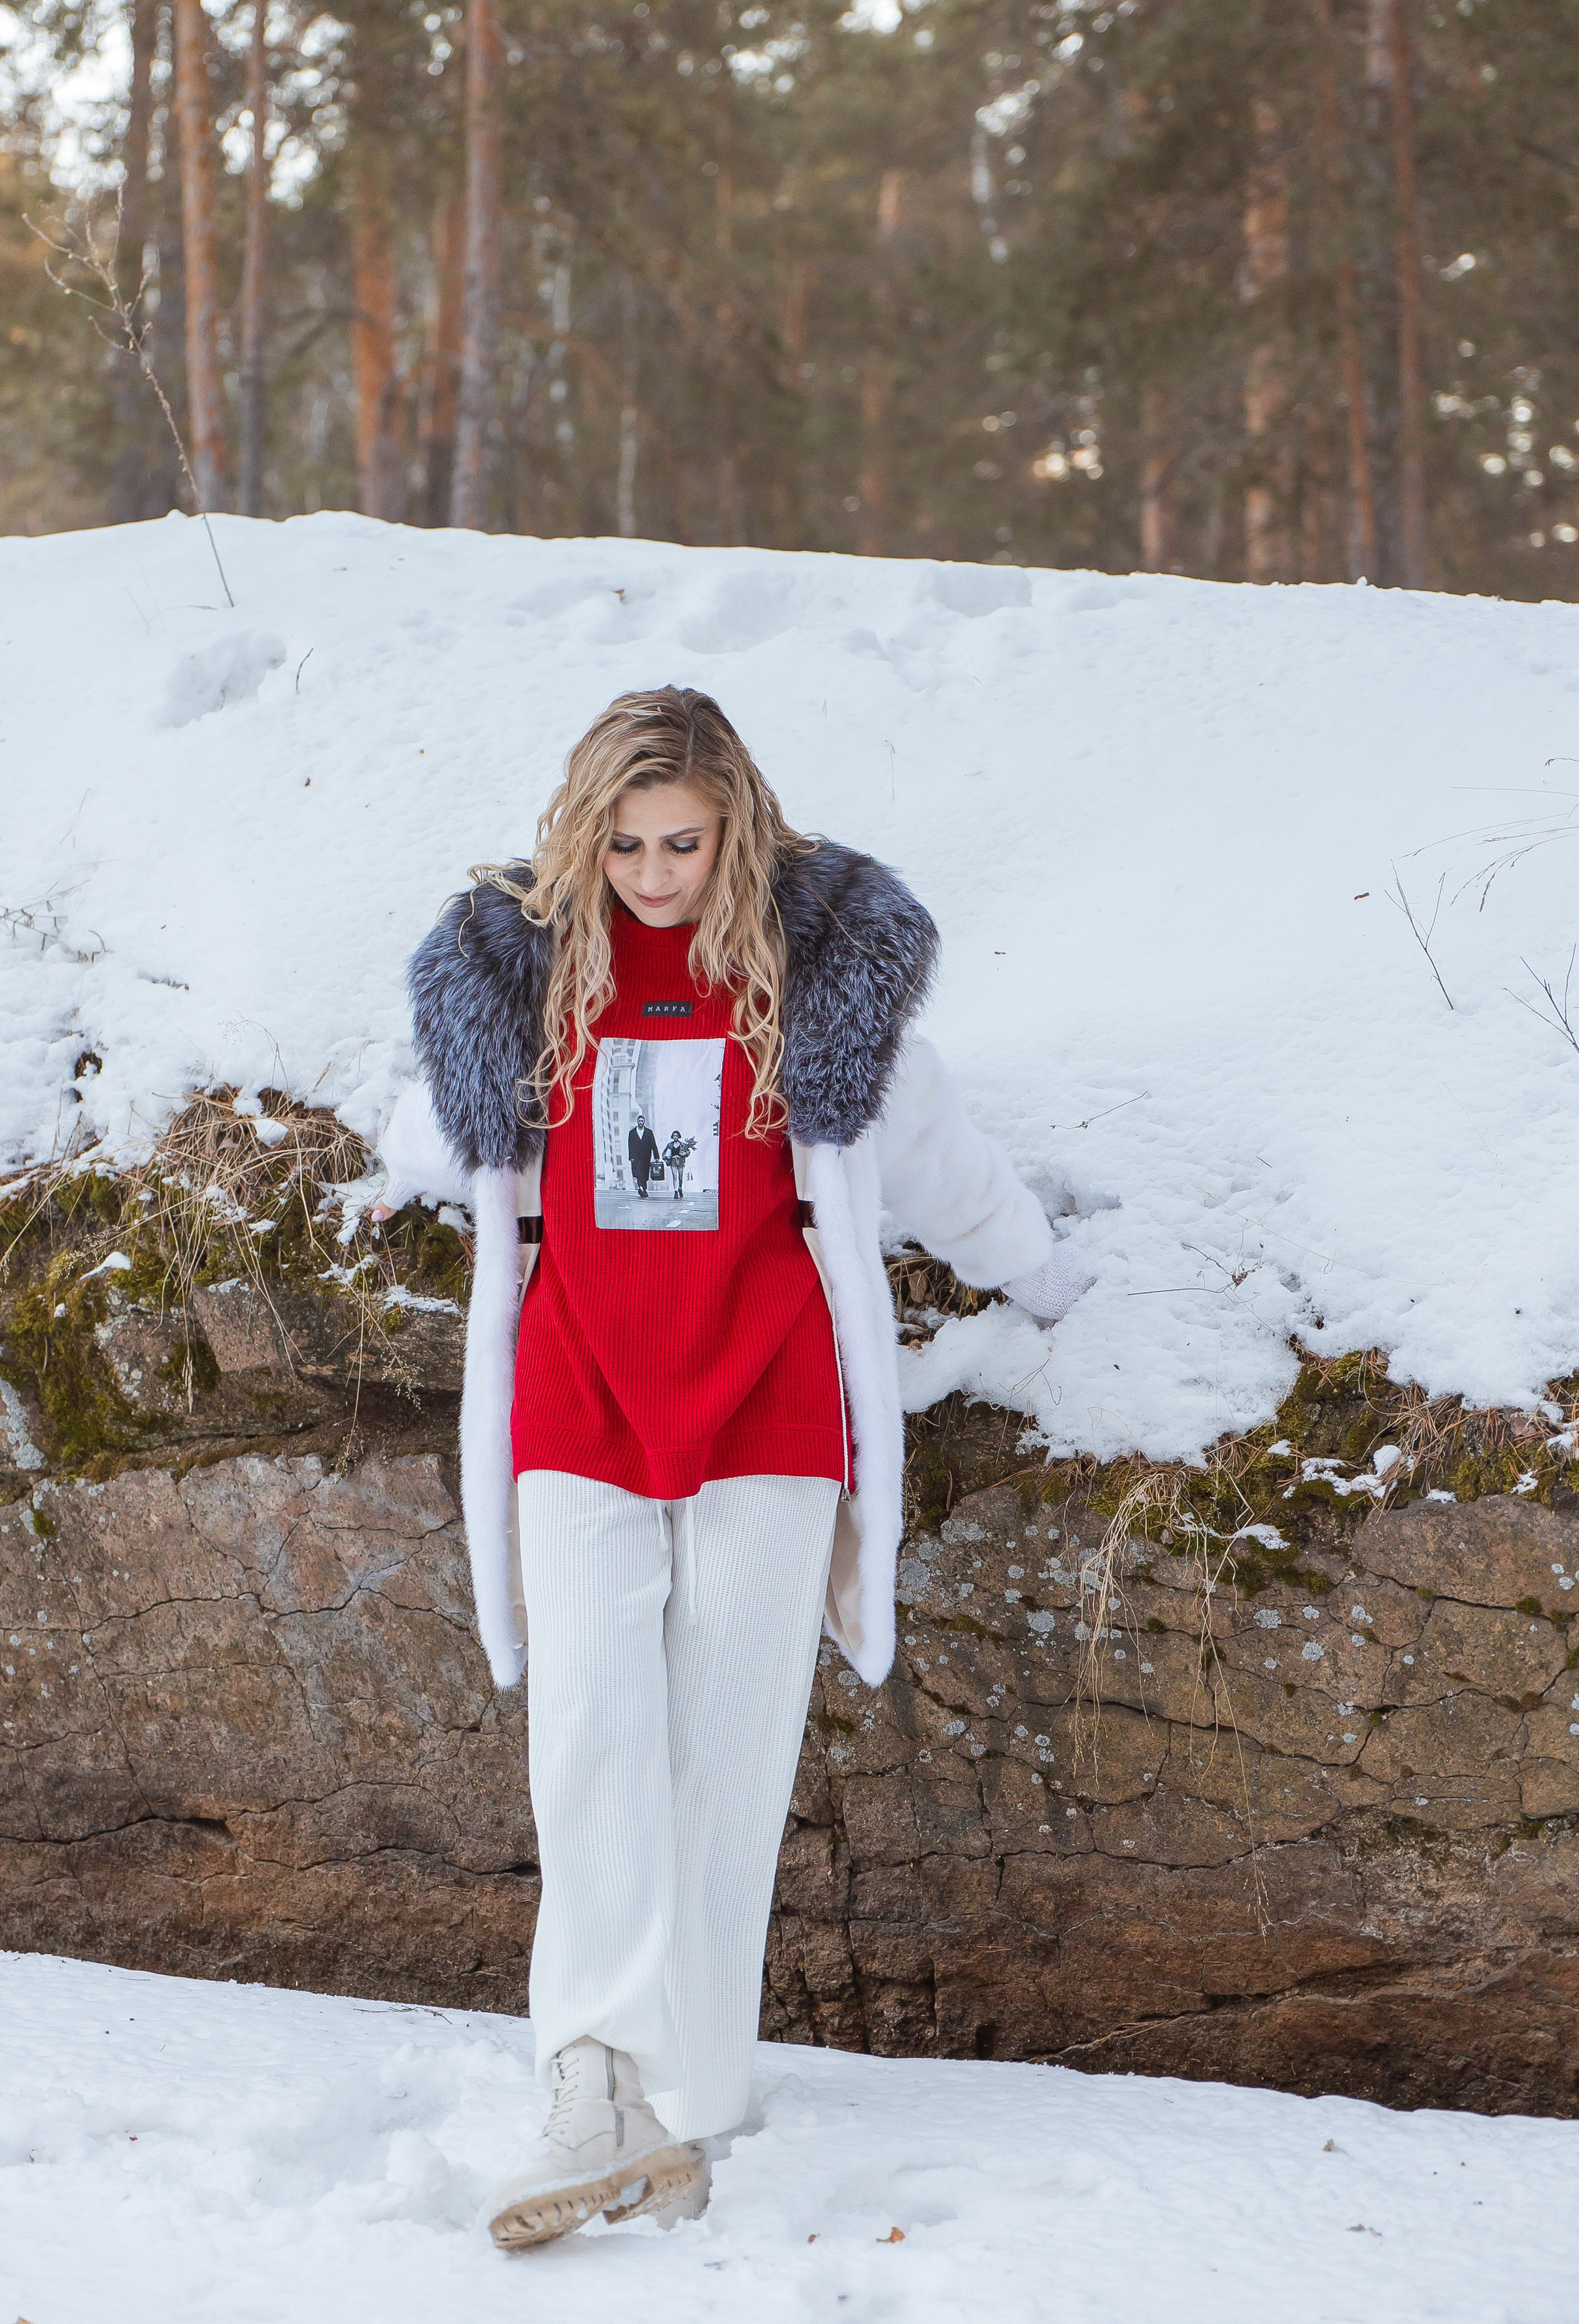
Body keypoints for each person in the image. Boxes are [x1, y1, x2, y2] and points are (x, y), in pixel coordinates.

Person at [373, 686, 1091, 2251]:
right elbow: (437, 1137)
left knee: (722, 1757)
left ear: (736, 830)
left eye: (682, 842)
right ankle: (585, 2086)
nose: (652, 873)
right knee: (588, 1735)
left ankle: (684, 2106)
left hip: (767, 1413)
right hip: (580, 1405)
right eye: (624, 843)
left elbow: (938, 1165)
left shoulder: (819, 984)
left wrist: (1042, 1276)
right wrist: (397, 1158)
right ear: (584, 835)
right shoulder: (519, 979)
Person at [627, 1108, 658, 1197]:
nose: (641, 1122)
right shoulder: (632, 1133)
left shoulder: (649, 1132)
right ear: (637, 1122)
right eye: (639, 1121)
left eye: (642, 1121)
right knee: (638, 1173)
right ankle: (641, 1188)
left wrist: (656, 1156)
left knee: (645, 1173)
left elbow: (653, 1145)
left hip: (646, 1157)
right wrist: (631, 1157)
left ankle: (644, 1189)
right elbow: (630, 1146)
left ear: (644, 1122)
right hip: (636, 1158)